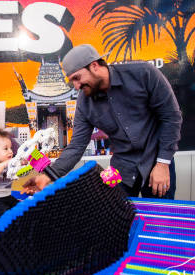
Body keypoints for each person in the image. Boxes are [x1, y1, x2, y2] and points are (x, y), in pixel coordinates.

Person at [22, 44, 182, 199]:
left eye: (77, 78)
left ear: (94, 66)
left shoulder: (143, 73)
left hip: (157, 160)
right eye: (72, 82)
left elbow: (171, 117)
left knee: (159, 216)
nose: (76, 87)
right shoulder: (84, 103)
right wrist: (47, 176)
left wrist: (163, 163)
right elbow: (77, 146)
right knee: (113, 213)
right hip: (121, 166)